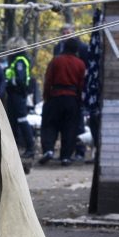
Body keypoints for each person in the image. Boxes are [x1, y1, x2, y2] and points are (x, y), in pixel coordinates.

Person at [39, 37, 86, 166]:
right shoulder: (80, 64)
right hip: (72, 98)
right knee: (70, 128)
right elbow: (82, 84)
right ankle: (65, 156)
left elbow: (48, 80)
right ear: (76, 49)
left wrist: (47, 97)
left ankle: (48, 149)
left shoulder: (56, 61)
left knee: (50, 125)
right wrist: (79, 100)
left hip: (55, 96)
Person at [4, 37, 35, 159]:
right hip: (14, 94)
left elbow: (20, 79)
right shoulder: (16, 59)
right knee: (12, 121)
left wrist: (8, 82)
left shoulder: (20, 60)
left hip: (17, 94)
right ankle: (14, 148)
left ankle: (30, 148)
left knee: (22, 120)